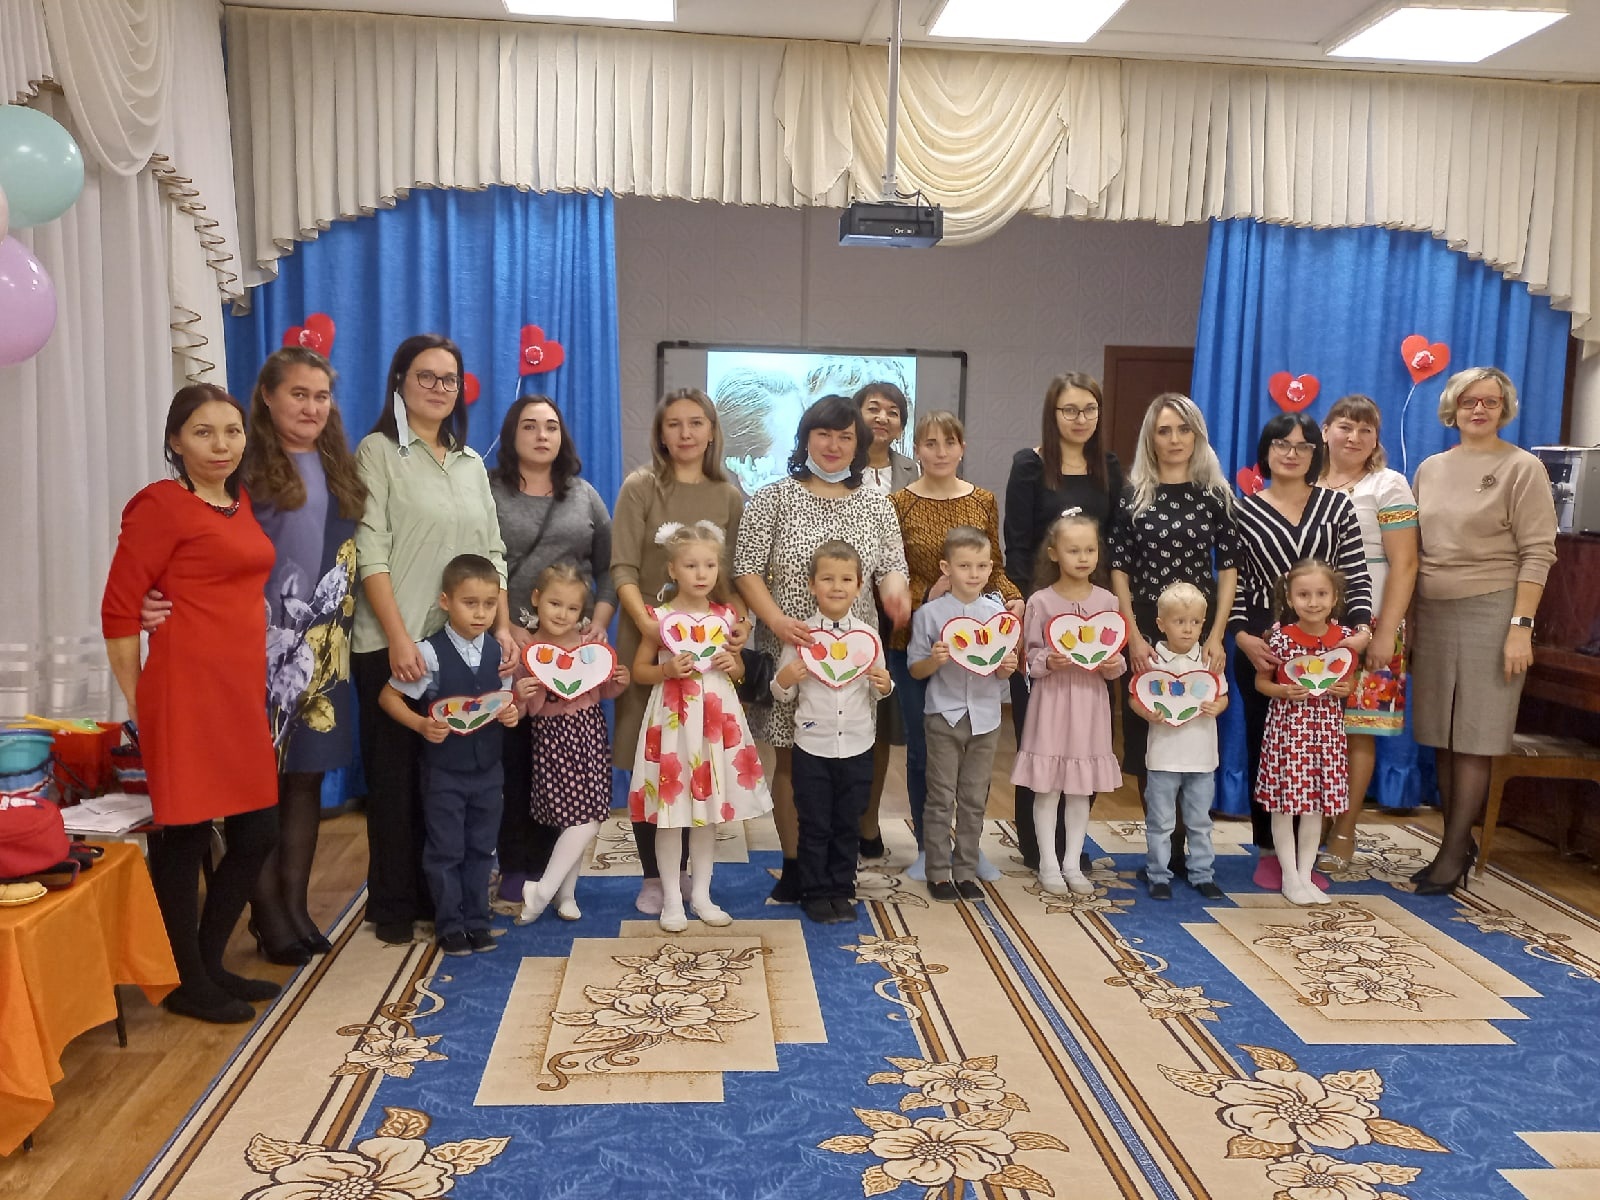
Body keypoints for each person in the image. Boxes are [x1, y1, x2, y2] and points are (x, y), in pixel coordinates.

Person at [138, 348, 368, 965]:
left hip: (321, 647)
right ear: (267, 396)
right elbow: (193, 543)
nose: (312, 407)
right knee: (257, 791)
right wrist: (154, 598)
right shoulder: (241, 468)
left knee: (305, 779)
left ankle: (294, 907)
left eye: (321, 396)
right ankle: (265, 915)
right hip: (256, 651)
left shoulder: (336, 464)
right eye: (298, 394)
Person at [102, 385, 280, 1023]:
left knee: (257, 831)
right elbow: (119, 609)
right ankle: (183, 981)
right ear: (176, 441)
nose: (221, 445)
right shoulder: (159, 505)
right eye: (203, 432)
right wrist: (139, 702)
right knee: (184, 835)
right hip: (183, 691)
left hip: (238, 692)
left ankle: (205, 962)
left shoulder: (239, 501)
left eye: (232, 431)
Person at [353, 335, 510, 945]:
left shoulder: (470, 463)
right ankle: (394, 904)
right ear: (400, 380)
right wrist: (398, 636)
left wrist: (500, 627)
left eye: (449, 379)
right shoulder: (379, 452)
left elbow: (493, 551)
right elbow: (372, 550)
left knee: (449, 781)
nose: (439, 388)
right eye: (426, 376)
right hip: (396, 643)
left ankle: (442, 900)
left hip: (462, 646)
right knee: (396, 784)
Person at [734, 396, 911, 904]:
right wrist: (775, 621)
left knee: (848, 760)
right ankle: (796, 866)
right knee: (793, 759)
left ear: (859, 445)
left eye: (845, 436)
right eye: (823, 434)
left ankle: (836, 867)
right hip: (791, 649)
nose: (833, 445)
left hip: (854, 655)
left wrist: (896, 593)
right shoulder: (773, 497)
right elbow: (745, 569)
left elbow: (892, 566)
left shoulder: (876, 504)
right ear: (805, 438)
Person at [1410, 367, 1558, 895]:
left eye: (1491, 402)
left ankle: (1453, 852)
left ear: (1504, 409)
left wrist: (1521, 627)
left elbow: (1538, 552)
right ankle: (1455, 841)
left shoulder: (1523, 468)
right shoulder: (1429, 469)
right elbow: (1414, 550)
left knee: (1475, 737)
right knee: (1443, 736)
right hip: (1432, 610)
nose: (1479, 409)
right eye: (1470, 401)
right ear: (1453, 407)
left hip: (1493, 610)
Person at [611, 389, 746, 915]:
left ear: (712, 432)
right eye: (674, 424)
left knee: (700, 755)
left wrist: (739, 625)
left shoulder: (728, 494)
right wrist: (652, 624)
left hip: (708, 644)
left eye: (696, 423)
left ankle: (695, 878)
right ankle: (655, 877)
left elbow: (735, 576)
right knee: (649, 755)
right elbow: (623, 567)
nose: (685, 433)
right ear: (660, 433)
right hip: (650, 636)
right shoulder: (641, 487)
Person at [1230, 412, 1372, 891]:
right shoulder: (1244, 511)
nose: (1292, 453)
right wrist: (1241, 636)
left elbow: (1355, 574)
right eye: (1281, 444)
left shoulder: (1337, 505)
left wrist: (1360, 631)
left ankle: (1307, 853)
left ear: (1316, 452)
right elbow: (1233, 582)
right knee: (1267, 748)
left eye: (1303, 445)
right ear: (1266, 450)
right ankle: (1271, 850)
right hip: (1264, 646)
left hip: (1327, 647)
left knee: (1317, 751)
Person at [489, 396, 616, 904]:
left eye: (551, 426)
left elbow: (607, 568)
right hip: (508, 644)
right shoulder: (489, 491)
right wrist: (504, 626)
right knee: (518, 759)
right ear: (512, 434)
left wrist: (597, 627)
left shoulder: (584, 495)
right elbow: (481, 561)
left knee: (565, 759)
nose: (542, 435)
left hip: (573, 652)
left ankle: (553, 866)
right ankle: (516, 864)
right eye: (530, 426)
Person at [887, 412, 1022, 880]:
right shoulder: (899, 502)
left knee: (975, 756)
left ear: (962, 448)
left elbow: (994, 566)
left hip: (976, 643)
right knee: (925, 750)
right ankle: (930, 849)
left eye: (950, 442)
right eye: (930, 443)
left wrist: (1013, 598)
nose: (940, 451)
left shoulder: (983, 499)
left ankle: (969, 847)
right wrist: (928, 594)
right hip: (919, 638)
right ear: (917, 450)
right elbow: (893, 571)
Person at [1003, 373, 1125, 872]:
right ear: (1052, 415)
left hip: (1095, 615)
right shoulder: (1029, 465)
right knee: (1040, 735)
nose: (1080, 419)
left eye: (1089, 409)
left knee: (1086, 735)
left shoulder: (1109, 467)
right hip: (1041, 609)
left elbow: (1115, 540)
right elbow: (1016, 542)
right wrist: (1023, 605)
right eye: (1069, 410)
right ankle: (1038, 848)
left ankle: (1070, 846)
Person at [628, 522, 773, 933]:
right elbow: (639, 671)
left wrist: (734, 665)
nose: (701, 573)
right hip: (673, 720)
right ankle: (672, 899)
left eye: (709, 565)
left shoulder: (726, 617)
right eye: (691, 565)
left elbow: (738, 670)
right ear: (673, 570)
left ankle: (703, 895)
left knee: (708, 815)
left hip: (715, 719)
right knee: (671, 814)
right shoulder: (659, 619)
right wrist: (666, 670)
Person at [378, 555, 519, 956]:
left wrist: (511, 714)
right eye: (469, 603)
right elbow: (388, 697)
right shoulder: (430, 653)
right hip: (444, 773)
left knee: (482, 848)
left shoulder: (499, 653)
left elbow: (505, 703)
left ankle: (478, 920)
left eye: (489, 604)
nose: (481, 613)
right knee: (445, 851)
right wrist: (421, 724)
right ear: (446, 601)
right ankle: (450, 926)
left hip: (488, 771)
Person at [1110, 394, 1239, 796]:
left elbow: (1229, 569)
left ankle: (1191, 831)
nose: (1175, 439)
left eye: (1183, 430)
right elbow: (1119, 570)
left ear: (1197, 434)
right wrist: (1132, 635)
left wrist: (1217, 635)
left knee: (1197, 719)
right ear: (1151, 438)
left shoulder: (1216, 495)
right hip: (1146, 624)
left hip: (1199, 625)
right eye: (1164, 431)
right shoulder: (1132, 495)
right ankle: (1158, 833)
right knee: (1148, 725)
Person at [770, 540, 894, 925]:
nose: (837, 587)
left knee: (847, 822)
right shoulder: (801, 637)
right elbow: (782, 693)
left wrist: (885, 684)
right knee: (815, 822)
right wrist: (784, 679)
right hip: (813, 746)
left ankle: (841, 889)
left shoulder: (868, 637)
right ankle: (815, 891)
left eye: (846, 579)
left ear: (859, 586)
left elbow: (879, 689)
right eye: (827, 579)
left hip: (857, 745)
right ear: (812, 585)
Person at [1318, 395, 1419, 863]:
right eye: (1345, 426)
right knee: (1313, 728)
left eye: (1365, 429)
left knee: (1357, 729)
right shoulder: (1307, 483)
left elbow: (1405, 564)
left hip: (1373, 621)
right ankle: (1311, 824)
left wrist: (1385, 632)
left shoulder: (1388, 485)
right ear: (1325, 431)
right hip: (1314, 626)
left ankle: (1345, 828)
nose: (1354, 437)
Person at [1013, 511, 1126, 896]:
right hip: (1052, 703)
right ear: (1054, 553)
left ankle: (1072, 862)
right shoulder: (1040, 602)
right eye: (1073, 550)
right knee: (1047, 788)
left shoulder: (1108, 601)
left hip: (1090, 705)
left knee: (1080, 788)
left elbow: (1115, 656)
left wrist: (1113, 665)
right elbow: (1029, 657)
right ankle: (1047, 862)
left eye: (1089, 550)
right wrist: (1048, 661)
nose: (1082, 557)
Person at [512, 563, 630, 924]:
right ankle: (543, 890)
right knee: (581, 818)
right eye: (555, 604)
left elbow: (601, 690)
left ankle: (565, 894)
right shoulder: (529, 651)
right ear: (536, 599)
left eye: (572, 608)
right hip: (553, 739)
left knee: (585, 815)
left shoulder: (589, 648)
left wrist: (617, 682)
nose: (562, 614)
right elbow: (521, 710)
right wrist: (522, 695)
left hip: (589, 734)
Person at [908, 526, 1018, 903]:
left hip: (986, 718)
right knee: (940, 796)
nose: (974, 573)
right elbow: (915, 669)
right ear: (946, 568)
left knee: (973, 798)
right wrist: (934, 661)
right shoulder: (930, 614)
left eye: (982, 566)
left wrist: (1006, 667)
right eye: (965, 565)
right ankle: (939, 872)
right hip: (944, 715)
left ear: (991, 568)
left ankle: (966, 869)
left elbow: (1001, 669)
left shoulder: (998, 616)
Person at [1252, 559, 1356, 906]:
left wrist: (1346, 688)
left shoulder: (1342, 640)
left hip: (1326, 732)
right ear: (1290, 598)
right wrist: (1284, 691)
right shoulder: (1280, 639)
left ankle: (1305, 872)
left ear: (1335, 596)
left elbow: (1350, 680)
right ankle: (1289, 876)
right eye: (1304, 595)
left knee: (1315, 806)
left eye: (1321, 594)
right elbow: (1262, 682)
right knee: (1284, 804)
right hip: (1289, 732)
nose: (1313, 602)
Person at [1129, 582, 1228, 901]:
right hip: (1163, 757)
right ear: (1161, 624)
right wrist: (1147, 712)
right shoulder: (1152, 661)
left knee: (1200, 820)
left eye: (1195, 622)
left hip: (1201, 758)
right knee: (1160, 821)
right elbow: (1135, 696)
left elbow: (1222, 695)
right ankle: (1158, 874)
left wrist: (1218, 706)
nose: (1187, 629)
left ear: (1203, 623)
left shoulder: (1208, 661)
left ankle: (1202, 873)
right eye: (1179, 621)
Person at [853, 381, 919, 864]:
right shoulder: (837, 464)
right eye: (873, 408)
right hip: (846, 609)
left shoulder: (915, 471)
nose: (882, 417)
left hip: (898, 617)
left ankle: (869, 822)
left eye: (893, 411)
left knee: (881, 725)